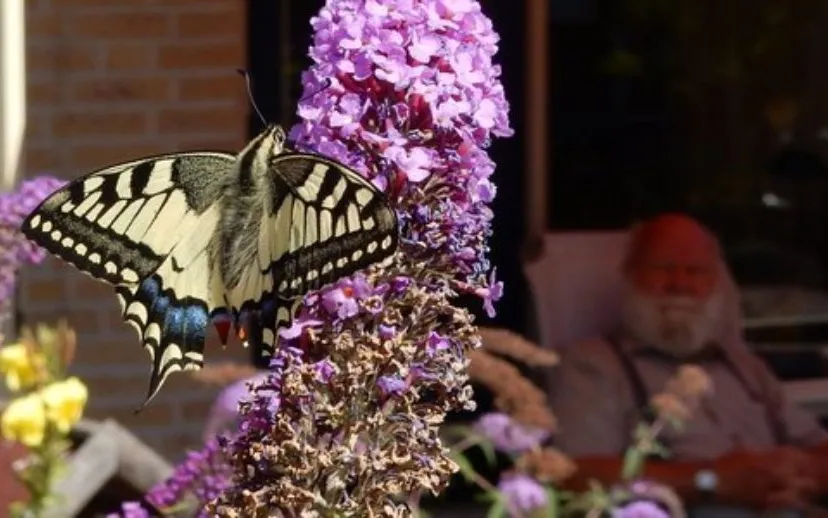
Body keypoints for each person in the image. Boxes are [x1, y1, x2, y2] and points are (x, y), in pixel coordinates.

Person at [548, 213, 828, 516]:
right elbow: (575, 476)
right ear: (630, 275)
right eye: (663, 268)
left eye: (695, 271)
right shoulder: (593, 365)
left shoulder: (745, 366)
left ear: (716, 284)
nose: (680, 284)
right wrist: (711, 480)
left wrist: (805, 477)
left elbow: (819, 445)